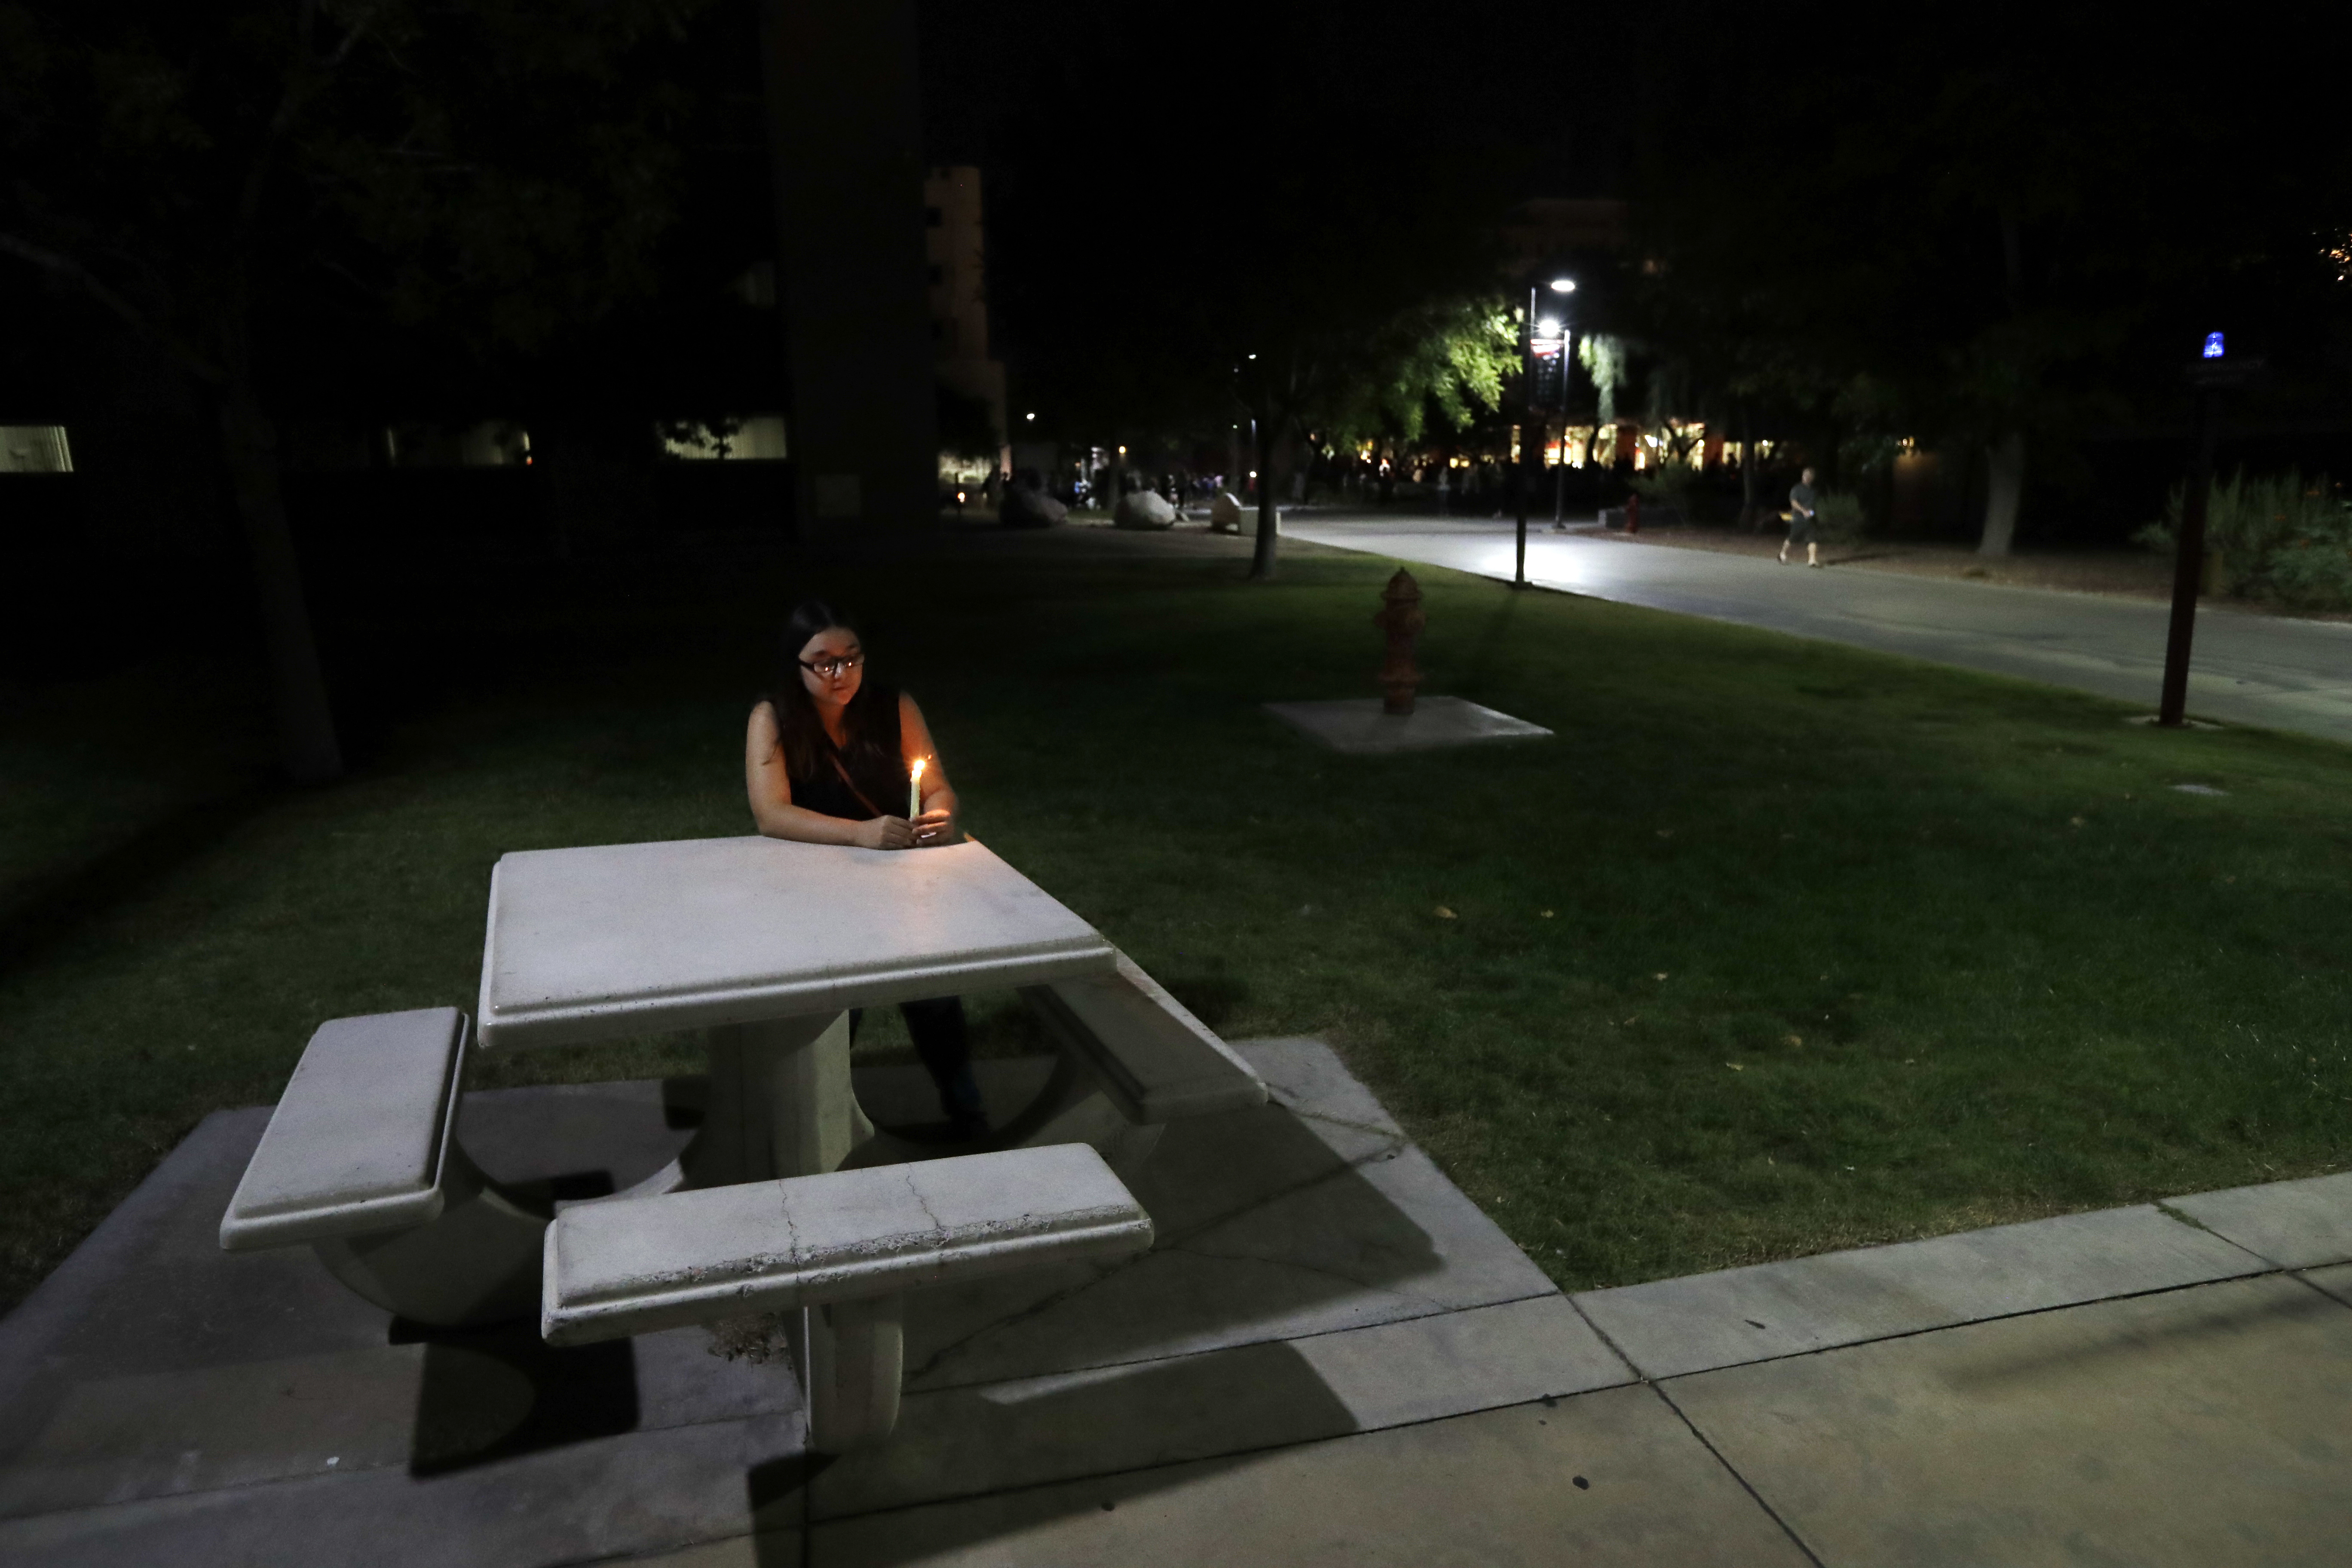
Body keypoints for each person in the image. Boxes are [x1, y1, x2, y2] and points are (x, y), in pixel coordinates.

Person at [744, 599, 986, 1136]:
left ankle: (965, 1105)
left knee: (931, 988)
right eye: (824, 663)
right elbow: (771, 813)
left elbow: (938, 783)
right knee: (837, 1004)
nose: (841, 674)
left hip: (899, 882)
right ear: (797, 665)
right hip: (817, 888)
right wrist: (860, 832)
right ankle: (812, 1121)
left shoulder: (892, 705)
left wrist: (939, 813)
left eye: (851, 659)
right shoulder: (773, 718)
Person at [1781, 466, 1823, 567]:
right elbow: (1794, 503)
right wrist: (1803, 511)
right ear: (1803, 476)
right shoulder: (1797, 489)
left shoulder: (1814, 491)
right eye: (1806, 475)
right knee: (1793, 538)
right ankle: (1782, 554)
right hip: (1798, 518)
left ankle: (1812, 560)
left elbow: (1814, 505)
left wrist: (1812, 513)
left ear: (1813, 478)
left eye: (1810, 476)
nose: (1808, 477)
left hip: (1810, 519)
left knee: (1813, 539)